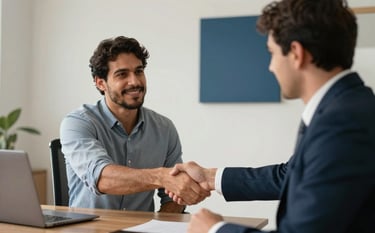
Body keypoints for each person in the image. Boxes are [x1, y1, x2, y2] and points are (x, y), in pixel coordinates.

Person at [167, 0, 375, 232]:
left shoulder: (342, 123)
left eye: (272, 53)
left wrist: (215, 229)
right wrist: (211, 177)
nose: (271, 67)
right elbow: (291, 174)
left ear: (296, 53)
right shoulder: (348, 107)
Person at [60, 36, 209, 213]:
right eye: (122, 74)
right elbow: (102, 179)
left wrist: (161, 225)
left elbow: (173, 196)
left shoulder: (164, 129)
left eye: (138, 71)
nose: (135, 82)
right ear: (101, 83)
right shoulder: (78, 123)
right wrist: (161, 177)